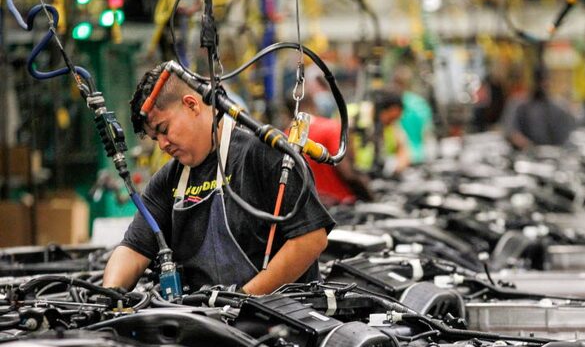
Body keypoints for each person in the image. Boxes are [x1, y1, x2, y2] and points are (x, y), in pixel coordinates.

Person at [102, 63, 335, 295]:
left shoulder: (264, 154)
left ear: (191, 105)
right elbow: (133, 250)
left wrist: (244, 298)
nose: (162, 144)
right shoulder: (168, 180)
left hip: (277, 315)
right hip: (206, 317)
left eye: (164, 129)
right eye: (155, 139)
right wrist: (110, 296)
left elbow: (310, 240)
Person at [286, 95, 373, 205]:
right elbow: (347, 173)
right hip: (340, 207)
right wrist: (371, 197)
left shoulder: (284, 137)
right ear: (312, 105)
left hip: (307, 208)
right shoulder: (331, 127)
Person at [503, 68, 576, 150]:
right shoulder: (519, 104)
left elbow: (566, 133)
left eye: (546, 81)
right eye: (540, 82)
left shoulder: (557, 107)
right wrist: (526, 145)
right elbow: (510, 131)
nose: (543, 85)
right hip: (525, 154)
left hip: (552, 154)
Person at [349, 90, 410, 176]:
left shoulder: (390, 126)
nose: (391, 123)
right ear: (381, 110)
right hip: (352, 174)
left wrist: (398, 166)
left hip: (375, 174)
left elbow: (403, 149)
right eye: (391, 118)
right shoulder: (352, 116)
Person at [392, 65, 434, 165]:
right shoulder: (420, 103)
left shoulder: (394, 106)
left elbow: (396, 134)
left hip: (402, 158)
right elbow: (427, 132)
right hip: (422, 154)